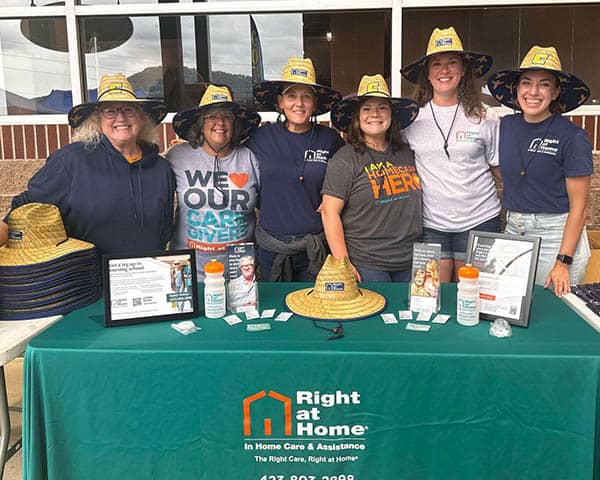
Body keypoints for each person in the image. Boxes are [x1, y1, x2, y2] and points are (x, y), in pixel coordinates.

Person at [0, 73, 174, 254]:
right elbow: (20, 214)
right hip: (86, 277)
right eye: (110, 111)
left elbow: (165, 231)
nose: (120, 118)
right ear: (97, 119)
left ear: (141, 117)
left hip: (149, 276)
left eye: (129, 109)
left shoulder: (161, 169)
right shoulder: (71, 161)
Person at [487, 46, 593, 296]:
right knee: (511, 305)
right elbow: (498, 167)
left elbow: (579, 206)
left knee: (554, 314)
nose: (533, 92)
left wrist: (563, 261)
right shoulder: (504, 127)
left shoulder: (572, 137)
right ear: (516, 89)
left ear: (556, 92)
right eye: (526, 83)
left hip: (556, 234)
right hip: (514, 229)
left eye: (544, 84)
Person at [400, 26, 501, 282]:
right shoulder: (411, 120)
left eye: (452, 62)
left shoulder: (485, 117)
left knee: (474, 295)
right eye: (436, 64)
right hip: (431, 223)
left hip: (480, 218)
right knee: (432, 296)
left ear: (464, 69)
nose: (444, 71)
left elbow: (499, 170)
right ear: (427, 73)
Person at [247, 57, 345, 282]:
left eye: (306, 96)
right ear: (280, 102)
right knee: (274, 313)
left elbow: (348, 178)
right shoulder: (260, 137)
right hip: (272, 247)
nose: (298, 104)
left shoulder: (330, 140)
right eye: (291, 96)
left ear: (315, 104)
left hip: (316, 248)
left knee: (315, 311)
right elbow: (230, 158)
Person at [321, 74, 422, 282]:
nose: (375, 114)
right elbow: (329, 213)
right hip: (368, 264)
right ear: (357, 118)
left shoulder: (407, 152)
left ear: (392, 115)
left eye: (382, 107)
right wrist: (343, 263)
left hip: (411, 260)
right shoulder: (345, 159)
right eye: (367, 108)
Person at [167, 84, 261, 281]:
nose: (220, 122)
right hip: (189, 270)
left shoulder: (249, 158)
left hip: (240, 271)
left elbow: (269, 205)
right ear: (200, 123)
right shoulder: (178, 156)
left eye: (227, 116)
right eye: (212, 116)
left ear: (235, 124)